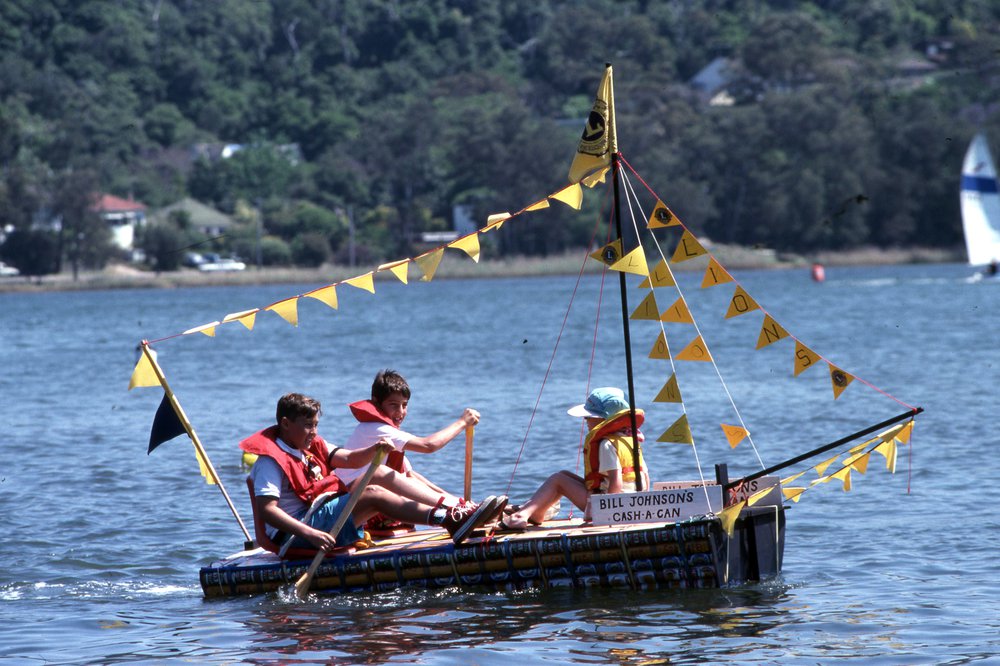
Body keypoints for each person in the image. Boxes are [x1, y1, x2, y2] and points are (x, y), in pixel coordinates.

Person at [241, 392, 506, 548]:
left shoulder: (310, 445)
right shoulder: (270, 461)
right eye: (308, 426)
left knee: (375, 478)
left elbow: (350, 459)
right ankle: (448, 518)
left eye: (316, 425)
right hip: (296, 531)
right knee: (372, 494)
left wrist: (375, 452)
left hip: (319, 515)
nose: (314, 432)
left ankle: (454, 514)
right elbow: (268, 511)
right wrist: (309, 533)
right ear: (286, 424)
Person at [501, 387, 650, 531]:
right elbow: (645, 478)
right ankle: (536, 512)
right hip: (631, 505)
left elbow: (616, 482)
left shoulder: (607, 444)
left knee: (557, 480)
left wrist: (606, 516)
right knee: (564, 474)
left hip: (609, 507)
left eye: (588, 417)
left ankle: (520, 517)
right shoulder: (631, 441)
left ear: (603, 420)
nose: (585, 421)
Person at [340, 369, 478, 511]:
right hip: (346, 506)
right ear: (376, 402)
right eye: (393, 404)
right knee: (380, 472)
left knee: (409, 479)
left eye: (404, 405)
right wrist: (462, 422)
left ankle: (461, 507)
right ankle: (454, 508)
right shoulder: (375, 429)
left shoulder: (386, 431)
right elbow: (428, 445)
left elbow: (410, 476)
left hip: (365, 498)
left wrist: (458, 500)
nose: (400, 412)